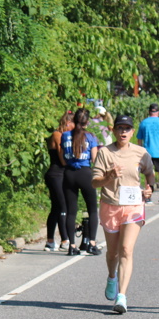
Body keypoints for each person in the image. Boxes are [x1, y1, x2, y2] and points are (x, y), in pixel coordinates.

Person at [92, 115, 155, 314]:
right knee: (113, 253)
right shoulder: (105, 153)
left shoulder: (141, 153)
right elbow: (94, 182)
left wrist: (150, 188)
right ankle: (112, 276)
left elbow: (150, 174)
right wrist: (108, 176)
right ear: (114, 131)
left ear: (132, 132)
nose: (123, 132)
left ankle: (122, 296)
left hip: (133, 206)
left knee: (126, 249)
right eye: (120, 128)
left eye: (127, 128)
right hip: (111, 206)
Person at [59, 108, 101, 256]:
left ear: (74, 120)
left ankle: (72, 245)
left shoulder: (65, 136)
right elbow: (94, 159)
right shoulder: (90, 137)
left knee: (71, 211)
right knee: (92, 209)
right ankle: (92, 243)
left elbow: (62, 157)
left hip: (69, 173)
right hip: (85, 173)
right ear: (87, 122)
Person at [44, 111, 74, 252]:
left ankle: (50, 241)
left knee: (56, 208)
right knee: (63, 206)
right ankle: (65, 240)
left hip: (62, 174)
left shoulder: (67, 136)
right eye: (74, 124)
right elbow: (63, 159)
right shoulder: (57, 135)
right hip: (56, 174)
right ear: (68, 123)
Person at [136, 103, 159, 204]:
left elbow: (139, 139)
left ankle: (148, 197)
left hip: (147, 152)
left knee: (148, 174)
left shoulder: (144, 122)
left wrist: (140, 150)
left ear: (149, 112)